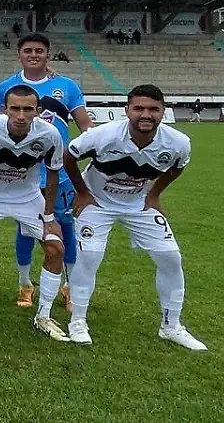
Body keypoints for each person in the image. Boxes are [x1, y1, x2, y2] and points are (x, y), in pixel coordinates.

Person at [64, 85, 206, 351]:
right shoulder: (103, 135)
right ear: (127, 110)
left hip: (138, 204)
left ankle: (171, 326)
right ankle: (78, 321)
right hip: (97, 202)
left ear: (163, 112)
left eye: (153, 109)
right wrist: (82, 193)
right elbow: (68, 156)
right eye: (139, 108)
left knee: (171, 257)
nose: (146, 114)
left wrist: (154, 195)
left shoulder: (178, 142)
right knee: (90, 255)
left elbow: (177, 168)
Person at [0, 33, 92, 310]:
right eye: (28, 50)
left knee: (65, 228)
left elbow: (85, 125)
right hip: (22, 173)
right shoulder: (6, 87)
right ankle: (25, 284)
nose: (33, 55)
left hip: (59, 173)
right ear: (19, 55)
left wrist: (90, 152)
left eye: (39, 51)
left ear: (48, 54)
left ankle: (69, 287)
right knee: (25, 229)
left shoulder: (66, 86)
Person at [0, 85, 68, 341]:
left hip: (27, 196)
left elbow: (53, 175)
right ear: (4, 109)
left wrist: (49, 218)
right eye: (15, 109)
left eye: (28, 109)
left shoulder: (50, 134)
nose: (21, 115)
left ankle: (43, 316)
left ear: (38, 111)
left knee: (56, 248)